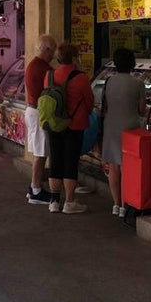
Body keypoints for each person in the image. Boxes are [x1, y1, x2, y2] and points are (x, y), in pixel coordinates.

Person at [44, 42, 94, 214]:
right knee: (70, 162)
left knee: (56, 160)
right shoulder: (81, 78)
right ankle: (69, 202)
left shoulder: (49, 75)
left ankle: (54, 201)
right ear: (74, 58)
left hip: (54, 124)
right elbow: (89, 102)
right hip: (75, 124)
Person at [99, 47, 147, 218]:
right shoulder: (138, 83)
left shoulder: (109, 81)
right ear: (132, 63)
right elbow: (142, 110)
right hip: (131, 128)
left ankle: (116, 204)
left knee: (113, 166)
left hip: (111, 126)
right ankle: (126, 204)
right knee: (127, 167)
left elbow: (105, 105)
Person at [23, 35, 61, 205]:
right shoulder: (42, 67)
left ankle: (34, 188)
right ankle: (36, 189)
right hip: (39, 112)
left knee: (40, 152)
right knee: (40, 154)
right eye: (52, 50)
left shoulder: (34, 64)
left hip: (34, 111)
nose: (53, 53)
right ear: (46, 50)